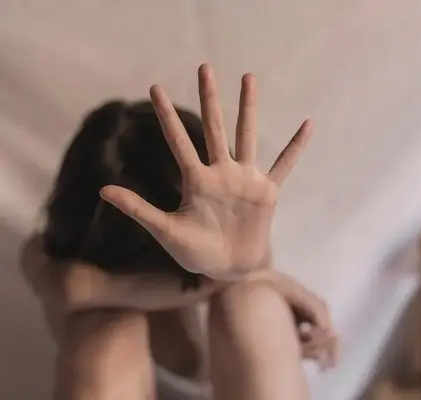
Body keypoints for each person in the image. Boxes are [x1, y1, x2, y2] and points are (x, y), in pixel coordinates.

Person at [20, 64, 339, 399]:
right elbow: (72, 286)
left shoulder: (231, 253)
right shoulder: (57, 267)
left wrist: (247, 275)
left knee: (251, 304)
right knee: (106, 337)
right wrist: (242, 276)